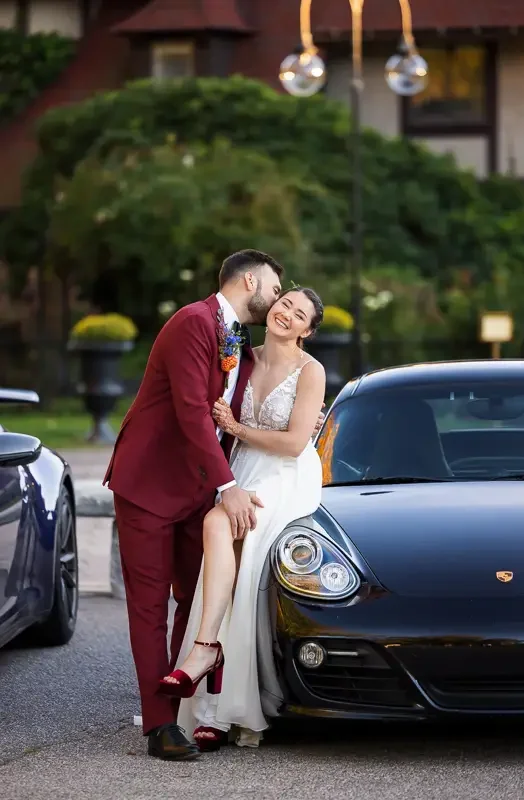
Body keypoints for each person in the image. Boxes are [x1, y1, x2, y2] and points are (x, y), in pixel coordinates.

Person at [103, 251, 324, 762]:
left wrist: (295, 435)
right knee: (149, 606)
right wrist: (229, 487)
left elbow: (245, 406)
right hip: (151, 485)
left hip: (200, 487)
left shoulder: (240, 340)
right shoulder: (192, 322)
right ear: (252, 280)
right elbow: (189, 411)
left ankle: (188, 703)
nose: (278, 297)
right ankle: (161, 726)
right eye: (277, 287)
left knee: (198, 597)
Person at [158, 287, 326, 752]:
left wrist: (235, 427)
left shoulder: (311, 371)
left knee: (232, 534)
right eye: (285, 303)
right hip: (241, 470)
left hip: (287, 475)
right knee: (222, 543)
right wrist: (227, 436)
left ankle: (207, 659)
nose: (286, 313)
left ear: (308, 331)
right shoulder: (239, 356)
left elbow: (295, 444)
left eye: (299, 315)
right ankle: (213, 690)